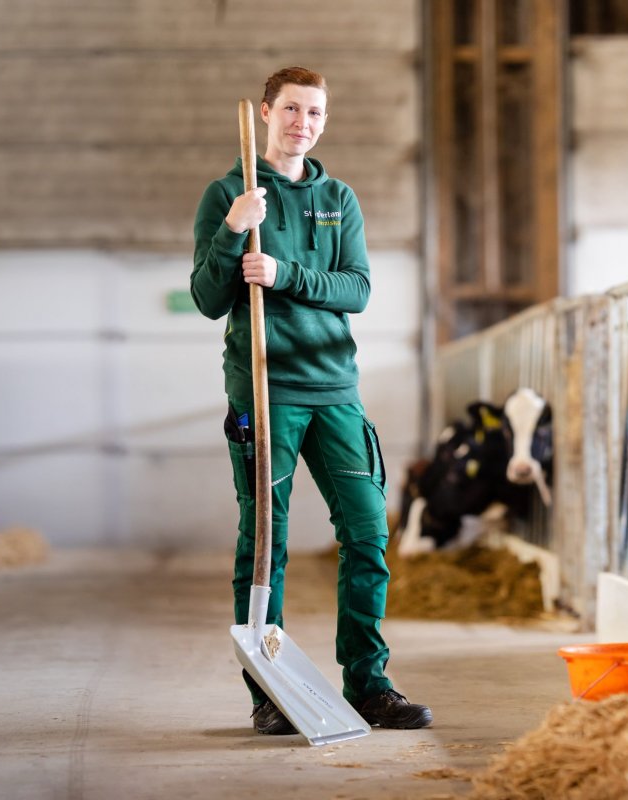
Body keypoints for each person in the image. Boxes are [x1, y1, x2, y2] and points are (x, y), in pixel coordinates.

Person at [191, 66, 432, 735]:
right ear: (267, 113)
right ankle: (268, 691)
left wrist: (283, 273)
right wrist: (234, 230)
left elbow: (357, 288)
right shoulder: (228, 194)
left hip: (335, 390)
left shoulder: (337, 198)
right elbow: (208, 299)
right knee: (265, 540)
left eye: (316, 112)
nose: (304, 123)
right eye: (293, 109)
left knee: (368, 531)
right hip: (265, 389)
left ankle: (370, 684)